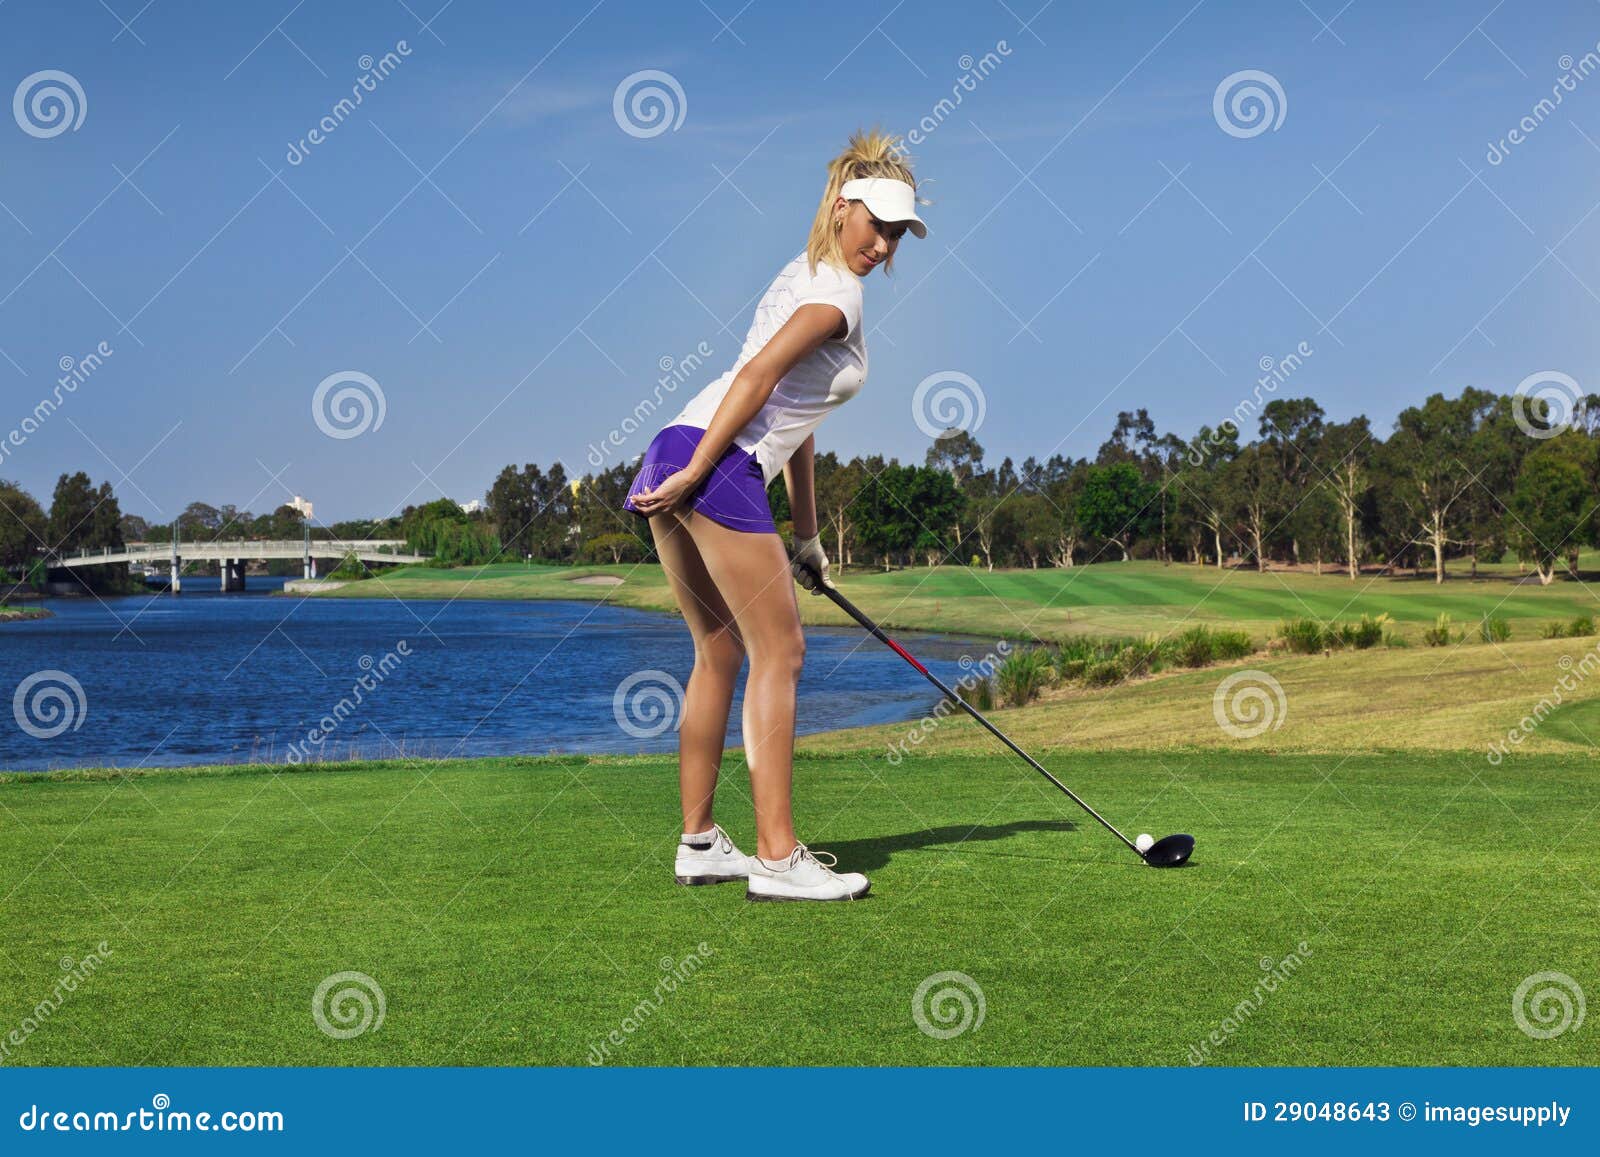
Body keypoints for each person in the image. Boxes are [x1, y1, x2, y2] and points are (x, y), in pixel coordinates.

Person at [621, 127, 928, 901]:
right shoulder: (838, 297)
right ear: (841, 205)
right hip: (713, 458)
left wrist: (807, 535)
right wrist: (701, 471)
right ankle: (778, 856)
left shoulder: (803, 274)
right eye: (876, 224)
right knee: (781, 652)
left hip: (677, 441)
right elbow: (757, 378)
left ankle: (699, 842)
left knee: (719, 649)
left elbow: (797, 420)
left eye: (897, 233)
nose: (884, 244)